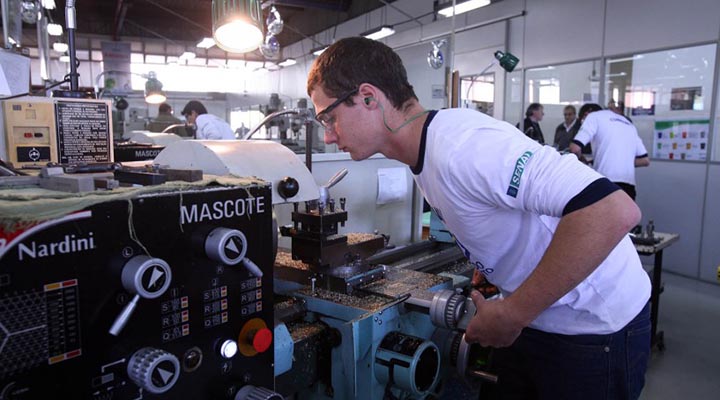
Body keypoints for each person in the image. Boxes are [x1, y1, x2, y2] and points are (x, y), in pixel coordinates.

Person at [307, 37, 650, 400]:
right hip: (537, 318)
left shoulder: (464, 146)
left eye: (329, 117)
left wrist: (513, 313)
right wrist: (488, 270)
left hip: (594, 329)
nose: (328, 136)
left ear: (368, 97)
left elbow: (611, 209)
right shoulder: (422, 156)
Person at [570, 103, 650, 200]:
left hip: (605, 183)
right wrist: (622, 161)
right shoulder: (628, 123)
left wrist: (582, 158)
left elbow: (575, 148)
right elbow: (645, 160)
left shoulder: (593, 117)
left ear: (587, 114)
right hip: (628, 185)